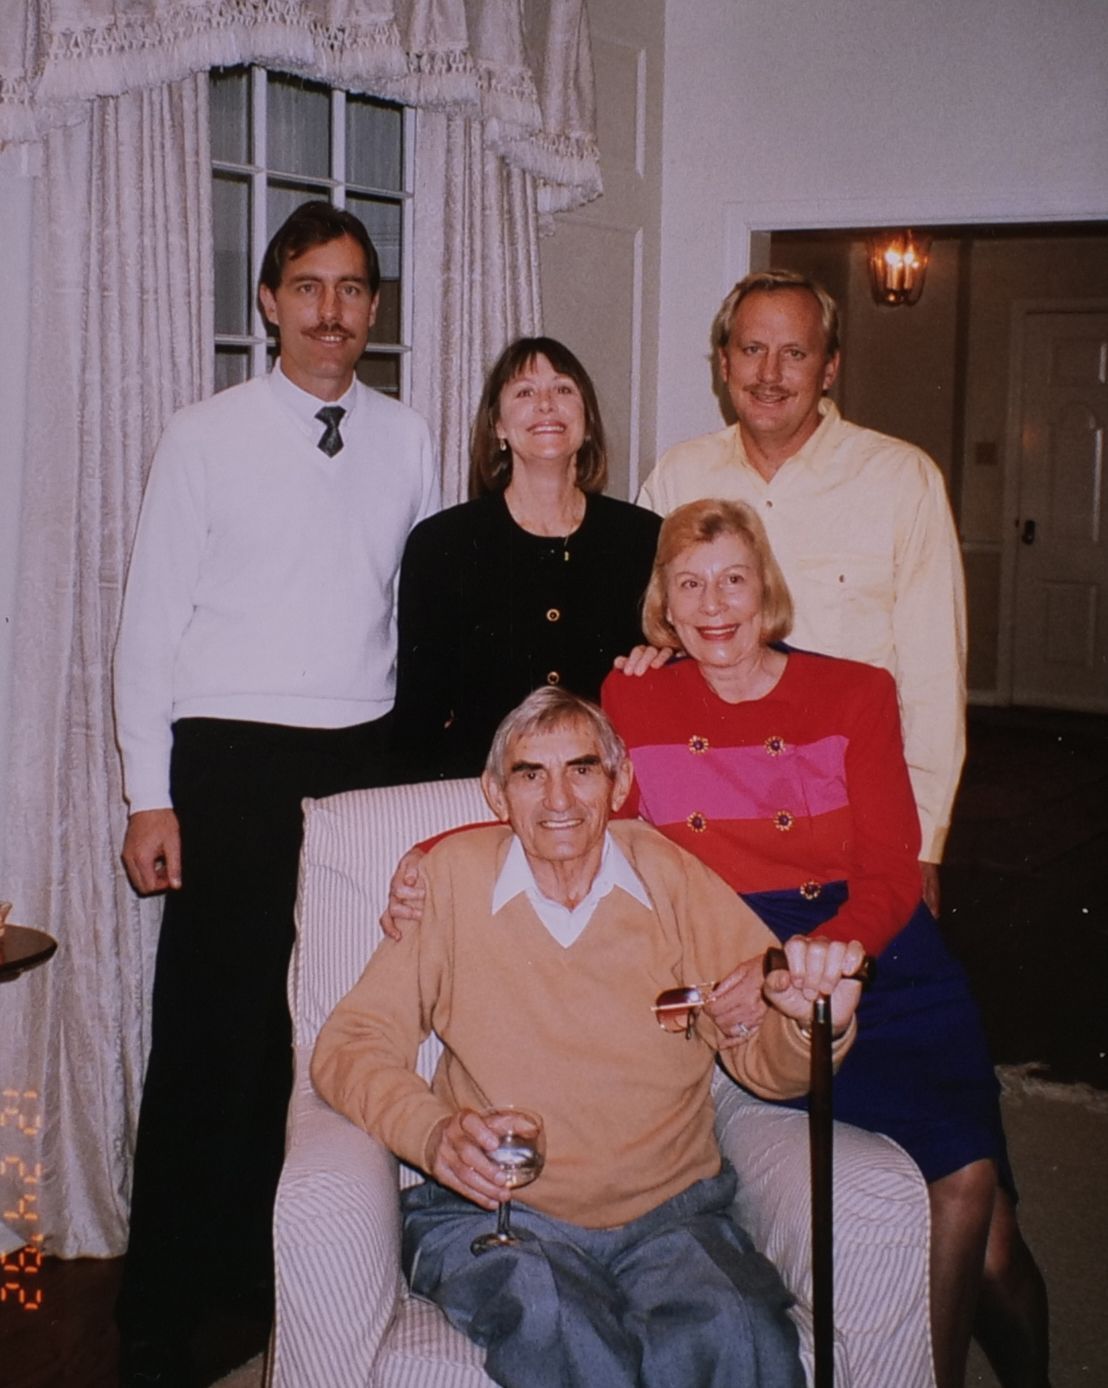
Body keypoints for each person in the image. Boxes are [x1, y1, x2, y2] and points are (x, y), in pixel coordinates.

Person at [601, 499, 1049, 1388]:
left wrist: (809, 958)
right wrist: (434, 854)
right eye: (690, 585)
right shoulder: (634, 696)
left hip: (878, 958)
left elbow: (890, 872)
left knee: (987, 1225)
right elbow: (597, 833)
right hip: (754, 960)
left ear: (766, 589)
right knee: (959, 1205)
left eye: (734, 579)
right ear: (663, 605)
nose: (714, 605)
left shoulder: (855, 692)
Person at [313, 687, 867, 1388]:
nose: (559, 799)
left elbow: (770, 1066)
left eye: (581, 770)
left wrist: (814, 1021)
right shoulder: (449, 881)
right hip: (498, 1216)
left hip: (675, 1218)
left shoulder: (670, 877)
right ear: (496, 794)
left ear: (619, 782)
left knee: (740, 1336)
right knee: (560, 1332)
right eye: (530, 774)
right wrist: (431, 1135)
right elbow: (352, 1043)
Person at [112, 201, 438, 1383]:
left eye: (351, 289)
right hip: (231, 757)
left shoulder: (408, 436)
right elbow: (149, 624)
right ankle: (157, 1311)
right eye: (307, 286)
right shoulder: (203, 433)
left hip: (361, 758)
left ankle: (269, 1275)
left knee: (320, 1031)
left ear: (373, 307)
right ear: (268, 301)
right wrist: (150, 794)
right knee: (212, 1034)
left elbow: (415, 608)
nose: (330, 312)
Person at [637, 269, 966, 918]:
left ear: (830, 367)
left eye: (794, 353)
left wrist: (923, 842)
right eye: (752, 349)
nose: (769, 374)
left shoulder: (901, 479)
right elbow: (652, 620)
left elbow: (934, 674)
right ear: (724, 363)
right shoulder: (679, 475)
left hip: (852, 814)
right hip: (712, 819)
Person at [389, 336, 660, 782]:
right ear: (498, 426)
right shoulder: (441, 545)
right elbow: (419, 714)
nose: (546, 404)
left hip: (608, 789)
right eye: (524, 392)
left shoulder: (644, 538)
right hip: (477, 788)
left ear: (587, 423)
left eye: (563, 389)